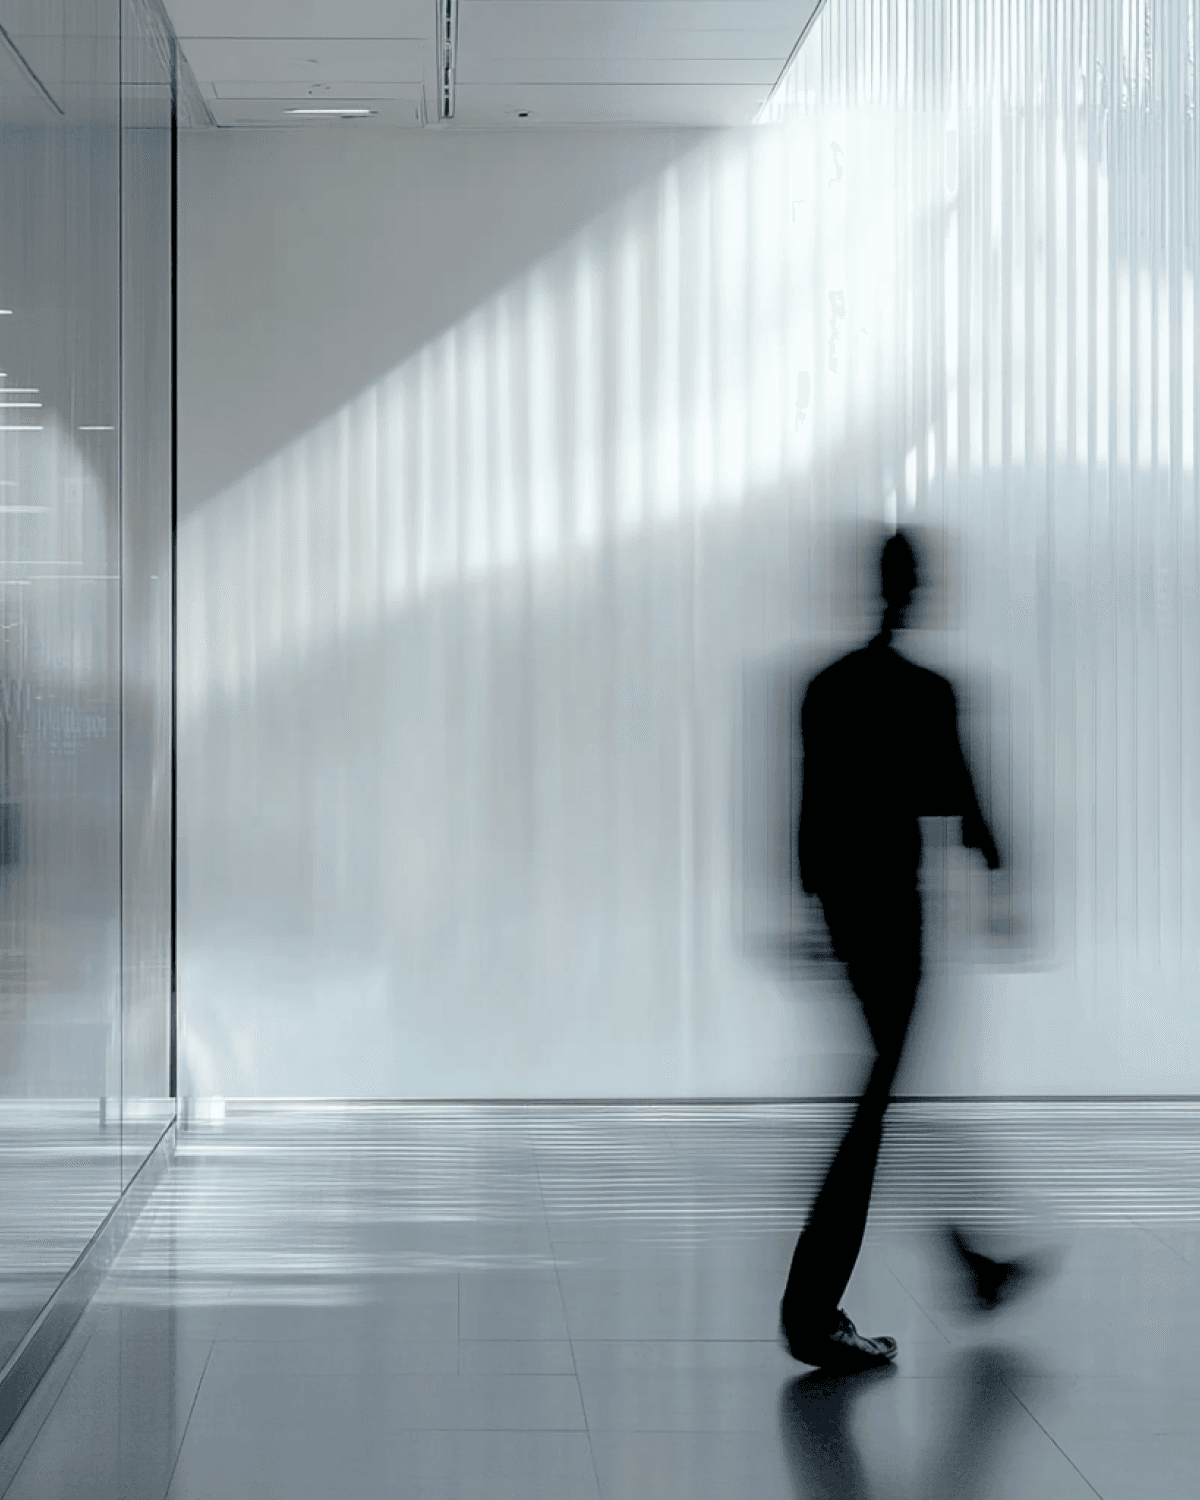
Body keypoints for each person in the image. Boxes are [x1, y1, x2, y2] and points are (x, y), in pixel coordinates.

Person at [779, 530, 1033, 1373]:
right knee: (877, 1101)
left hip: (850, 912)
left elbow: (810, 811)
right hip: (896, 913)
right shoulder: (926, 692)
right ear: (916, 589)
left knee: (883, 1092)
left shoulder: (828, 689)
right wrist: (1000, 880)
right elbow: (960, 799)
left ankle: (967, 1264)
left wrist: (811, 907)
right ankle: (811, 1309)